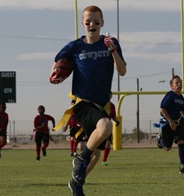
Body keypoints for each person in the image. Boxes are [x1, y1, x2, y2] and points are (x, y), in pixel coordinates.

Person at [51, 5, 126, 196]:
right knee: (106, 126)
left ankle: (76, 182)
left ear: (102, 23)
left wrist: (113, 51)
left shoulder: (110, 42)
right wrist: (54, 73)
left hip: (101, 104)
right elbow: (57, 62)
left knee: (97, 155)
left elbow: (122, 71)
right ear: (82, 24)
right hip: (83, 103)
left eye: (96, 21)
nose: (92, 24)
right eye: (88, 21)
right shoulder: (75, 46)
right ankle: (80, 159)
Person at [157, 75, 184, 174]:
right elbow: (162, 109)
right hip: (167, 124)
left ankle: (182, 165)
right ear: (171, 86)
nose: (179, 84)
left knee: (181, 142)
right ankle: (160, 140)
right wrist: (170, 121)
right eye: (176, 83)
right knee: (167, 148)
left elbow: (183, 112)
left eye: (180, 82)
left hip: (177, 124)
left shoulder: (181, 97)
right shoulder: (169, 96)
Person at [102, 92, 120, 166]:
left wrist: (117, 121)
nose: (110, 96)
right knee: (96, 143)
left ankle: (104, 161)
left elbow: (113, 116)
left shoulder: (112, 105)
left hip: (108, 125)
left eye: (110, 95)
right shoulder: (101, 103)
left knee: (108, 143)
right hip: (99, 125)